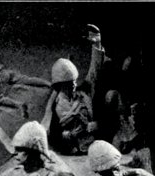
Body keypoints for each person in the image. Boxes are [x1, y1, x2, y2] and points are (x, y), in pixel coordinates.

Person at [41, 25, 106, 155]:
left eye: (75, 81)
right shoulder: (54, 106)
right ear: (60, 84)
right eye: (70, 83)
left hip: (94, 147)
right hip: (72, 153)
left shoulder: (83, 94)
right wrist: (67, 136)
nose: (74, 85)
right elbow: (52, 135)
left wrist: (97, 44)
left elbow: (94, 72)